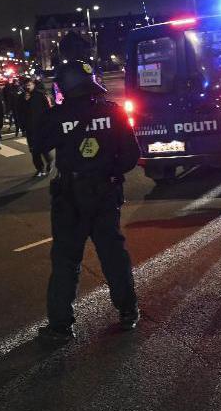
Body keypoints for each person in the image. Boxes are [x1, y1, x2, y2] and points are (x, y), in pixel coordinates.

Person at [32, 60, 141, 341]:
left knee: (66, 260)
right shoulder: (113, 112)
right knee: (113, 254)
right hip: (105, 193)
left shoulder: (57, 116)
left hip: (70, 196)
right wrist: (110, 173)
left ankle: (60, 325)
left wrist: (44, 111)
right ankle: (128, 311)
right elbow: (130, 155)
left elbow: (38, 144)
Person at [23, 79, 54, 177]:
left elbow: (48, 109)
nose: (27, 87)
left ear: (33, 85)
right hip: (30, 128)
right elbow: (20, 111)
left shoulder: (40, 95)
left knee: (43, 148)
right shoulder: (22, 97)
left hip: (41, 127)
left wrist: (48, 123)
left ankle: (49, 161)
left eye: (29, 85)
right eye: (26, 85)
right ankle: (40, 169)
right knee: (34, 151)